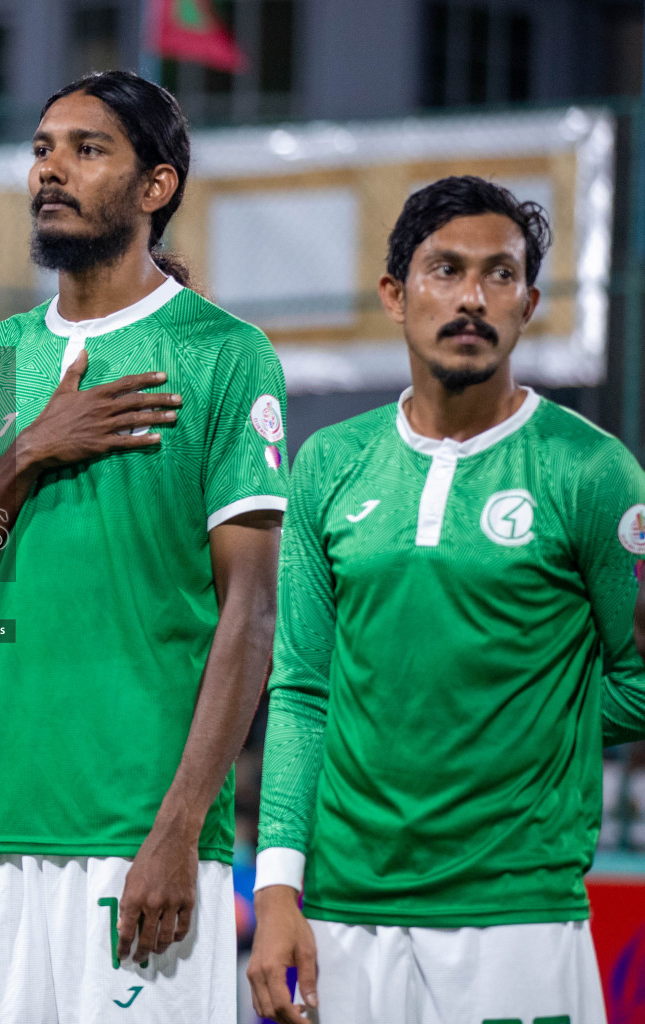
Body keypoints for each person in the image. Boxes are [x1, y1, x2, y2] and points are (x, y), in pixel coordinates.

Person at [0, 70, 287, 1024]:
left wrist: (182, 826)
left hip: (140, 832)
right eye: (42, 149)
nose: (52, 170)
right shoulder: (2, 355)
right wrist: (32, 449)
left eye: (87, 149)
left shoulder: (224, 353)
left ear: (156, 186)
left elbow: (250, 614)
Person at [248, 175, 645, 1024]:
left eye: (500, 275)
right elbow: (304, 690)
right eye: (446, 270)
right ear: (396, 294)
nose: (473, 297)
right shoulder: (329, 462)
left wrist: (523, 727)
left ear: (531, 301)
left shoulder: (594, 472)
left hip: (520, 915)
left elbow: (638, 678)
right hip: (346, 910)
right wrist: (278, 886)